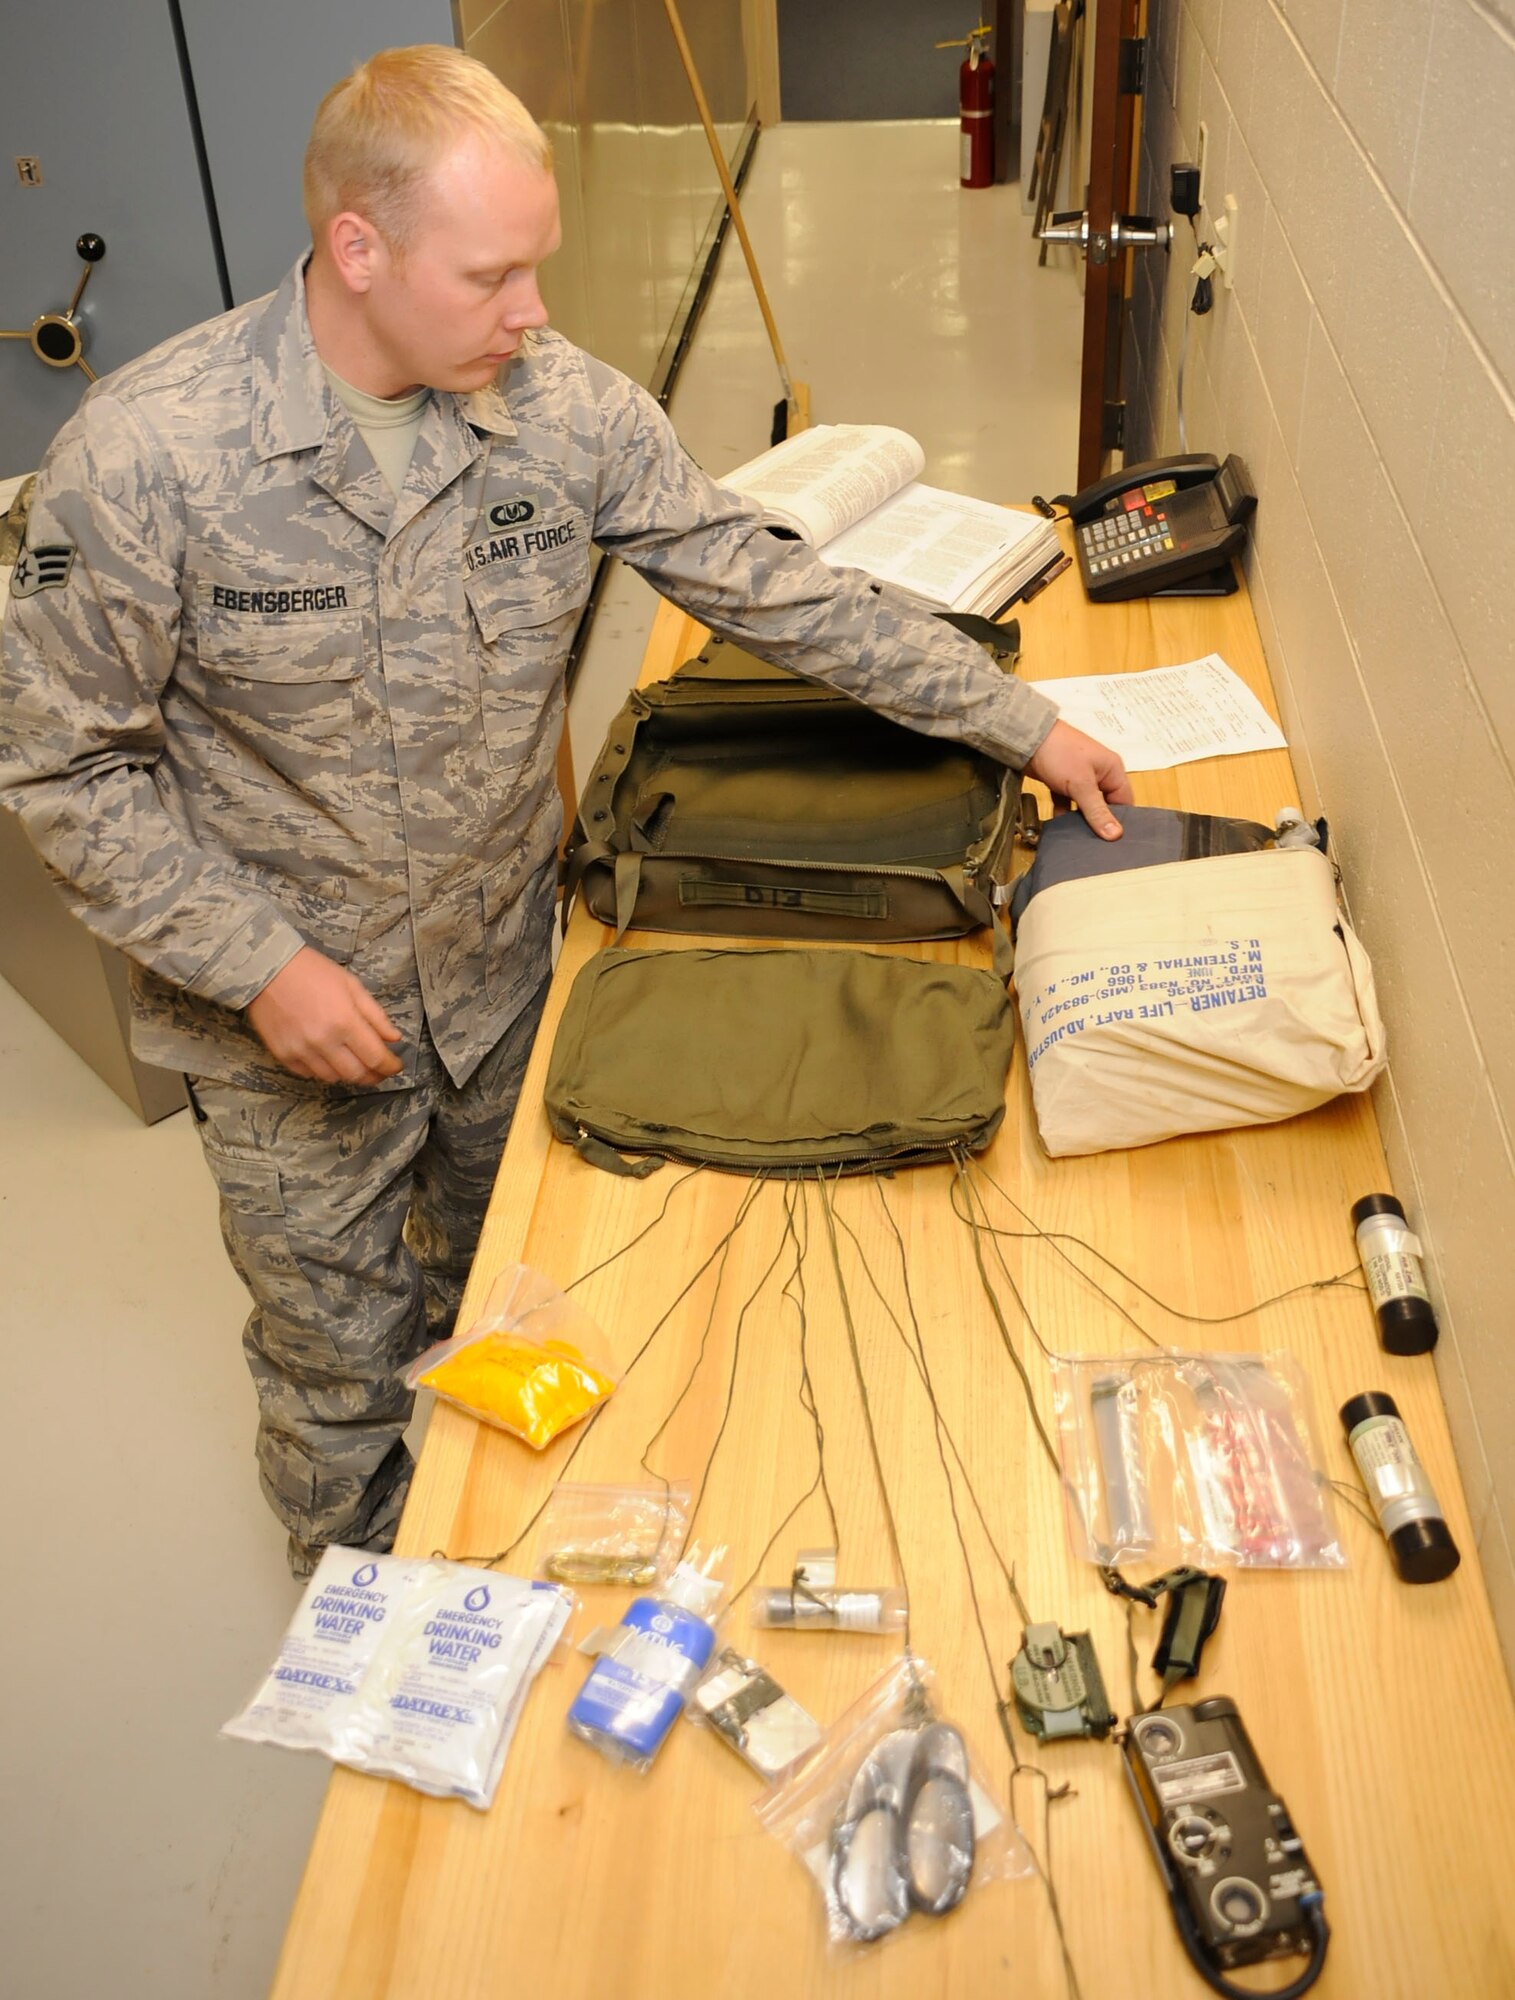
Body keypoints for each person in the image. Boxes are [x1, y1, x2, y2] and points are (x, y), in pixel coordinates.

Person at [0, 46, 1131, 1576]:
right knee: (334, 1367)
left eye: (535, 267)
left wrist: (1025, 725)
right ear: (358, 249)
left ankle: (507, 1574)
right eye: (493, 275)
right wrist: (261, 968)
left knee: (510, 1289)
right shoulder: (143, 458)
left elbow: (771, 588)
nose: (532, 309)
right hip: (280, 1034)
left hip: (500, 979)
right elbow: (67, 768)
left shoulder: (562, 414)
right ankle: (365, 1628)